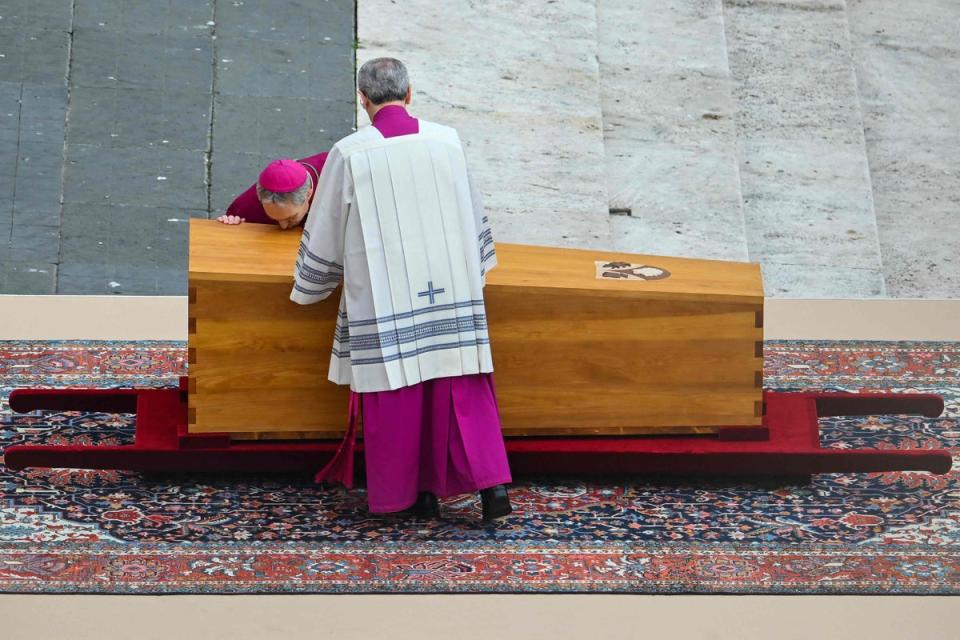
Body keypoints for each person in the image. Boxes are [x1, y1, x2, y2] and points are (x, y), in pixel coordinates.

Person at [290, 57, 513, 521]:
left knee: (399, 394)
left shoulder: (350, 153)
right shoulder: (447, 141)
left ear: (363, 101)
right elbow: (472, 211)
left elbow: (327, 227)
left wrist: (310, 284)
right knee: (461, 389)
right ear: (410, 94)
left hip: (387, 292)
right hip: (450, 283)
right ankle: (494, 494)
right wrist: (477, 267)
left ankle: (413, 496)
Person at [217, 153, 328, 229]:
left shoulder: (335, 174)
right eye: (273, 218)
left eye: (291, 218)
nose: (283, 226)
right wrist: (232, 224)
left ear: (308, 194)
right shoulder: (247, 206)